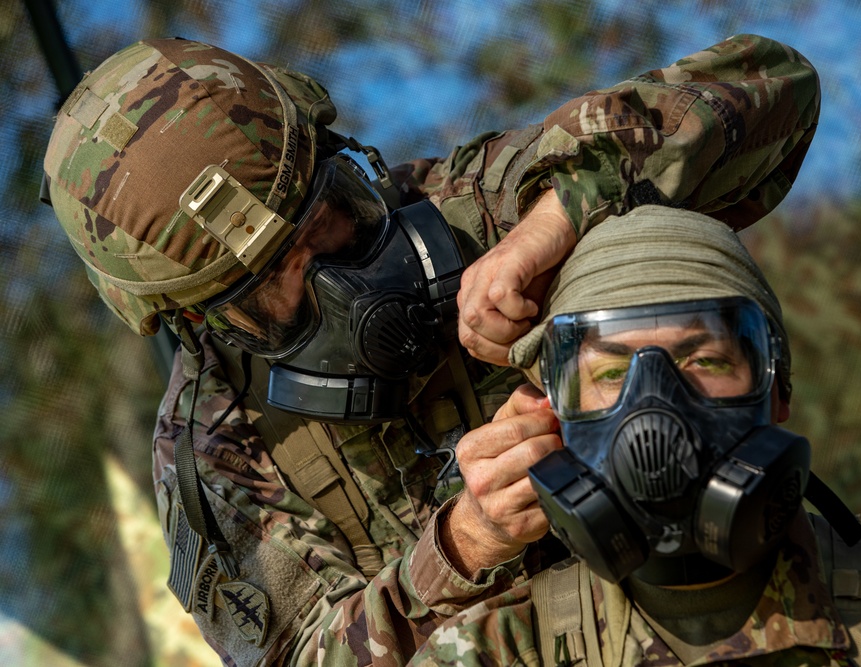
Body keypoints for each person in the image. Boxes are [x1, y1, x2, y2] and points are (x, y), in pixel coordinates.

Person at [41, 34, 821, 665]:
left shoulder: (480, 205)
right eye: (262, 290)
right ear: (193, 322)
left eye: (325, 221)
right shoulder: (216, 448)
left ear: (344, 158)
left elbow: (772, 86)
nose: (332, 289)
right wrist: (458, 544)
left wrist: (554, 225)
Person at [406, 205, 861, 666]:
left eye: (706, 361)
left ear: (777, 391)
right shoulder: (495, 652)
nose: (655, 405)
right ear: (552, 414)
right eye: (612, 371)